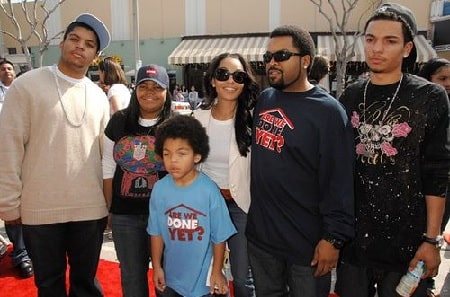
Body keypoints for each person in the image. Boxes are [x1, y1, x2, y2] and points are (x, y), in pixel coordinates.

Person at [335, 3, 450, 297]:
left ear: (408, 48)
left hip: (408, 244)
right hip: (355, 244)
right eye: (371, 39)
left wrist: (431, 239)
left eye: (390, 41)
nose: (377, 48)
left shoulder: (429, 96)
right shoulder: (350, 94)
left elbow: (437, 172)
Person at [0, 13, 111, 296]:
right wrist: (8, 203)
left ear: (95, 55)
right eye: (74, 39)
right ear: (62, 43)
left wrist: (109, 204)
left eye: (88, 44)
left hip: (89, 209)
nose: (80, 47)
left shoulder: (99, 96)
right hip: (40, 209)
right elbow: (8, 146)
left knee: (86, 285)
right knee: (49, 285)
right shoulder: (26, 86)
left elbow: (105, 156)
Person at [246, 24, 355, 297]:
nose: (272, 63)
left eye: (281, 56)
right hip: (262, 239)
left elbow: (339, 181)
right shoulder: (265, 99)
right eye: (267, 57)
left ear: (305, 60)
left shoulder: (329, 112)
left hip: (307, 247)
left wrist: (333, 239)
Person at [148, 115, 237, 297]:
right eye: (167, 153)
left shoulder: (209, 190)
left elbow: (219, 236)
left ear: (197, 155)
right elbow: (156, 232)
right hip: (172, 280)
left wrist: (217, 271)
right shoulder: (159, 189)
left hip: (205, 284)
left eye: (181, 153)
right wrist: (157, 267)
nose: (173, 160)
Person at [102, 64, 171, 297]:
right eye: (144, 86)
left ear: (167, 92)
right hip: (126, 216)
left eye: (157, 87)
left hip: (167, 218)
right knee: (132, 280)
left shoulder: (177, 124)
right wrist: (110, 208)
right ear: (135, 89)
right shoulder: (119, 121)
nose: (149, 92)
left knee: (168, 282)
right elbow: (108, 167)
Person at [194, 52, 259, 297]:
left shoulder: (254, 121)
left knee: (243, 278)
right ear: (212, 80)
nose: (230, 81)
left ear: (245, 83)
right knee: (204, 274)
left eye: (238, 76)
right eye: (223, 74)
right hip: (205, 208)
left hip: (241, 207)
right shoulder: (197, 118)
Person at [0, 58, 34, 278]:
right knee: (12, 202)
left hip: (29, 157)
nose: (7, 71)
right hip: (6, 154)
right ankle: (21, 253)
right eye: (2, 69)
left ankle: (28, 250)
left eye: (9, 68)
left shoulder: (27, 94)